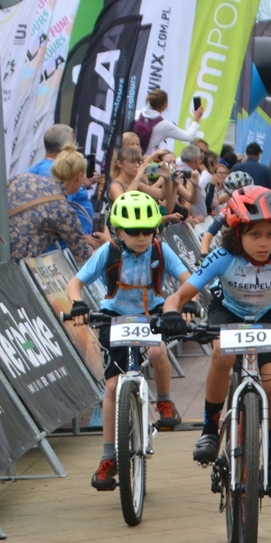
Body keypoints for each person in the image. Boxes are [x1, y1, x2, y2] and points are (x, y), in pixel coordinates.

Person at [159, 186, 271, 502]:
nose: (264, 243)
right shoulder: (222, 256)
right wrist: (171, 315)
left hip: (266, 316)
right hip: (227, 311)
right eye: (255, 234)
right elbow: (178, 296)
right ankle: (209, 430)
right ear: (238, 232)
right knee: (221, 353)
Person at [66, 191, 193, 488]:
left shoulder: (160, 250)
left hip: (152, 313)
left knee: (158, 352)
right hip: (115, 317)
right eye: (134, 232)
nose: (142, 237)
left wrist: (185, 303)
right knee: (112, 388)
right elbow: (75, 283)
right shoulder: (108, 252)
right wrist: (78, 304)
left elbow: (188, 280)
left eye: (148, 230)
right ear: (118, 232)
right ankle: (107, 456)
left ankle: (164, 401)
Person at [0, 170, 97, 269]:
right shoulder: (64, 210)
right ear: (79, 176)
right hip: (8, 274)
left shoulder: (23, 177)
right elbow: (84, 258)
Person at [137, 87, 205, 154]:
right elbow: (188, 137)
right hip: (139, 157)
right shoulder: (165, 125)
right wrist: (197, 118)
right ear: (164, 105)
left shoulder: (137, 113)